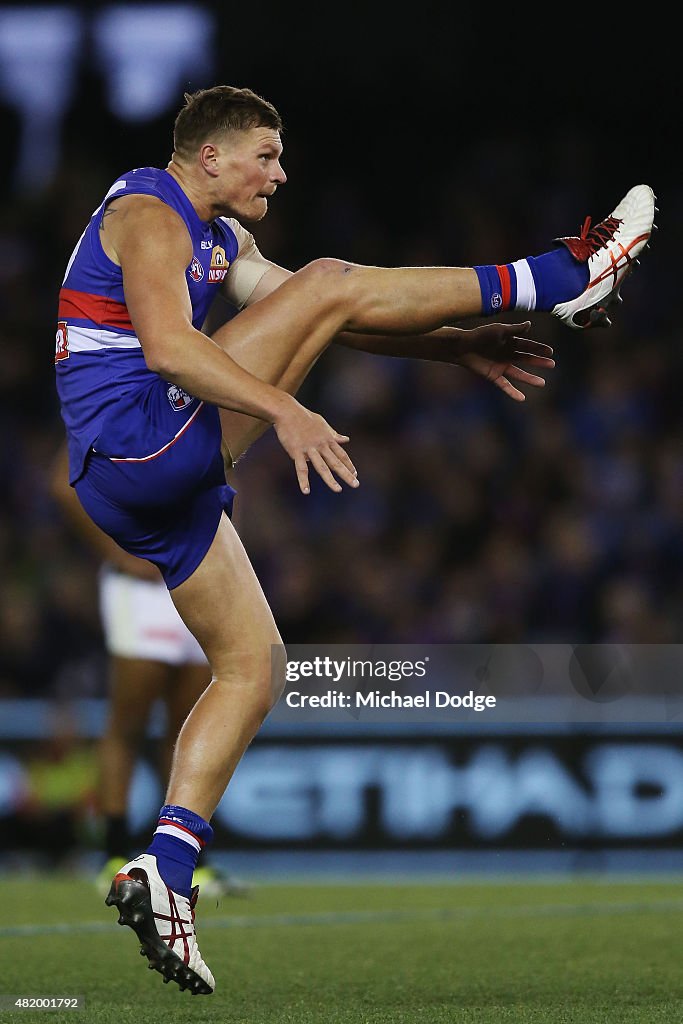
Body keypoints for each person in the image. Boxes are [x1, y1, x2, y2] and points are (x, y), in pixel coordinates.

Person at [53, 84, 655, 994]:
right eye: (265, 153)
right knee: (331, 274)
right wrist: (284, 409)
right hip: (140, 439)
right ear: (209, 156)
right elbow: (173, 350)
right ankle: (560, 278)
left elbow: (319, 312)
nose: (280, 172)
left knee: (254, 667)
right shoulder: (150, 212)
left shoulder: (220, 237)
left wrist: (447, 346)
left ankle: (164, 871)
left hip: (145, 480)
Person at [49, 440, 250, 900]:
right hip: (140, 584)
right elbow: (61, 480)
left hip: (195, 571)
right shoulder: (120, 397)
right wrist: (116, 552)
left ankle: (187, 860)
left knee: (188, 725)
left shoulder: (196, 403)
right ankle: (115, 854)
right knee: (129, 722)